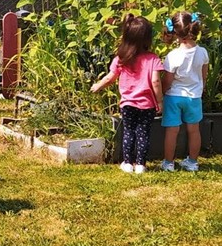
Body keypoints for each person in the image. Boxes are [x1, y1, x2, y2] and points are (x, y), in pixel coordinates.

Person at [89, 15, 163, 174]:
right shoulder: (153, 59)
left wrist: (98, 86)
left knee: (129, 132)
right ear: (147, 38)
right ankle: (141, 164)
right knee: (143, 133)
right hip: (147, 104)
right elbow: (156, 81)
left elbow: (110, 78)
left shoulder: (121, 58)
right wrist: (160, 101)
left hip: (128, 104)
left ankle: (128, 163)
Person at [160, 12, 209, 172]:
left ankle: (168, 163)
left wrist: (161, 93)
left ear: (175, 33)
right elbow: (204, 75)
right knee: (194, 130)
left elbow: (167, 80)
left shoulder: (173, 56)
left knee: (172, 131)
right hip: (194, 96)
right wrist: (201, 88)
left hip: (174, 96)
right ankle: (193, 162)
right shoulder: (203, 52)